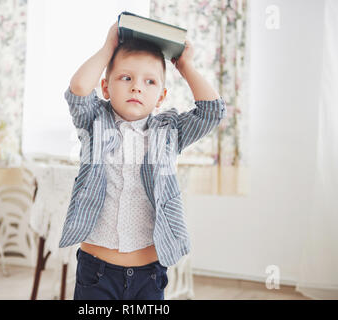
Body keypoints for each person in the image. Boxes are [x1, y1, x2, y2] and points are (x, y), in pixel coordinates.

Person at [59, 21, 227, 300]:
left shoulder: (169, 131)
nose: (137, 87)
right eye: (126, 78)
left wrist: (185, 67)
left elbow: (211, 112)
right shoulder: (94, 122)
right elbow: (78, 88)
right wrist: (107, 48)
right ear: (106, 87)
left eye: (149, 82)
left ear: (161, 95)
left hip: (148, 274)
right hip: (96, 272)